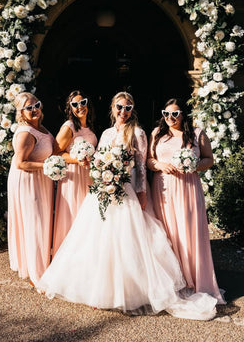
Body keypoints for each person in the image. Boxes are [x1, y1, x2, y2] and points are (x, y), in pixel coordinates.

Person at [36, 92, 218, 320]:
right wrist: (98, 181)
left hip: (128, 189)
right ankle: (97, 287)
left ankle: (131, 290)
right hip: (104, 189)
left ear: (133, 110)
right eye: (120, 107)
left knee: (128, 239)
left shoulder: (139, 133)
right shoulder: (106, 133)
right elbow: (99, 159)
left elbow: (142, 166)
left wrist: (141, 193)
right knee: (98, 239)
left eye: (128, 108)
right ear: (113, 109)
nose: (124, 112)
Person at [147, 98, 225, 305]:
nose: (170, 118)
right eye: (166, 113)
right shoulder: (157, 134)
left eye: (175, 113)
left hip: (188, 189)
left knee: (189, 232)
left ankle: (194, 279)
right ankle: (173, 280)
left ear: (183, 114)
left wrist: (194, 166)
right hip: (163, 188)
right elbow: (149, 160)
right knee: (168, 232)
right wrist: (160, 165)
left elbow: (209, 159)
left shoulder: (197, 134)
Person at [7, 92, 55, 286]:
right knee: (34, 222)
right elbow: (20, 163)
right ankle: (37, 274)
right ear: (21, 112)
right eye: (29, 108)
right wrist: (48, 167)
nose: (34, 110)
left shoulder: (40, 127)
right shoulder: (26, 133)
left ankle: (40, 263)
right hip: (28, 181)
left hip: (40, 180)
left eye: (37, 105)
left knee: (41, 221)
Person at [52, 90, 97, 256]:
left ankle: (84, 256)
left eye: (83, 102)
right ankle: (67, 256)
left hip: (88, 177)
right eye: (75, 104)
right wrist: (76, 159)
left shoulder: (89, 126)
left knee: (86, 217)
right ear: (70, 108)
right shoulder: (69, 127)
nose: (80, 107)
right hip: (73, 178)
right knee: (73, 215)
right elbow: (56, 153)